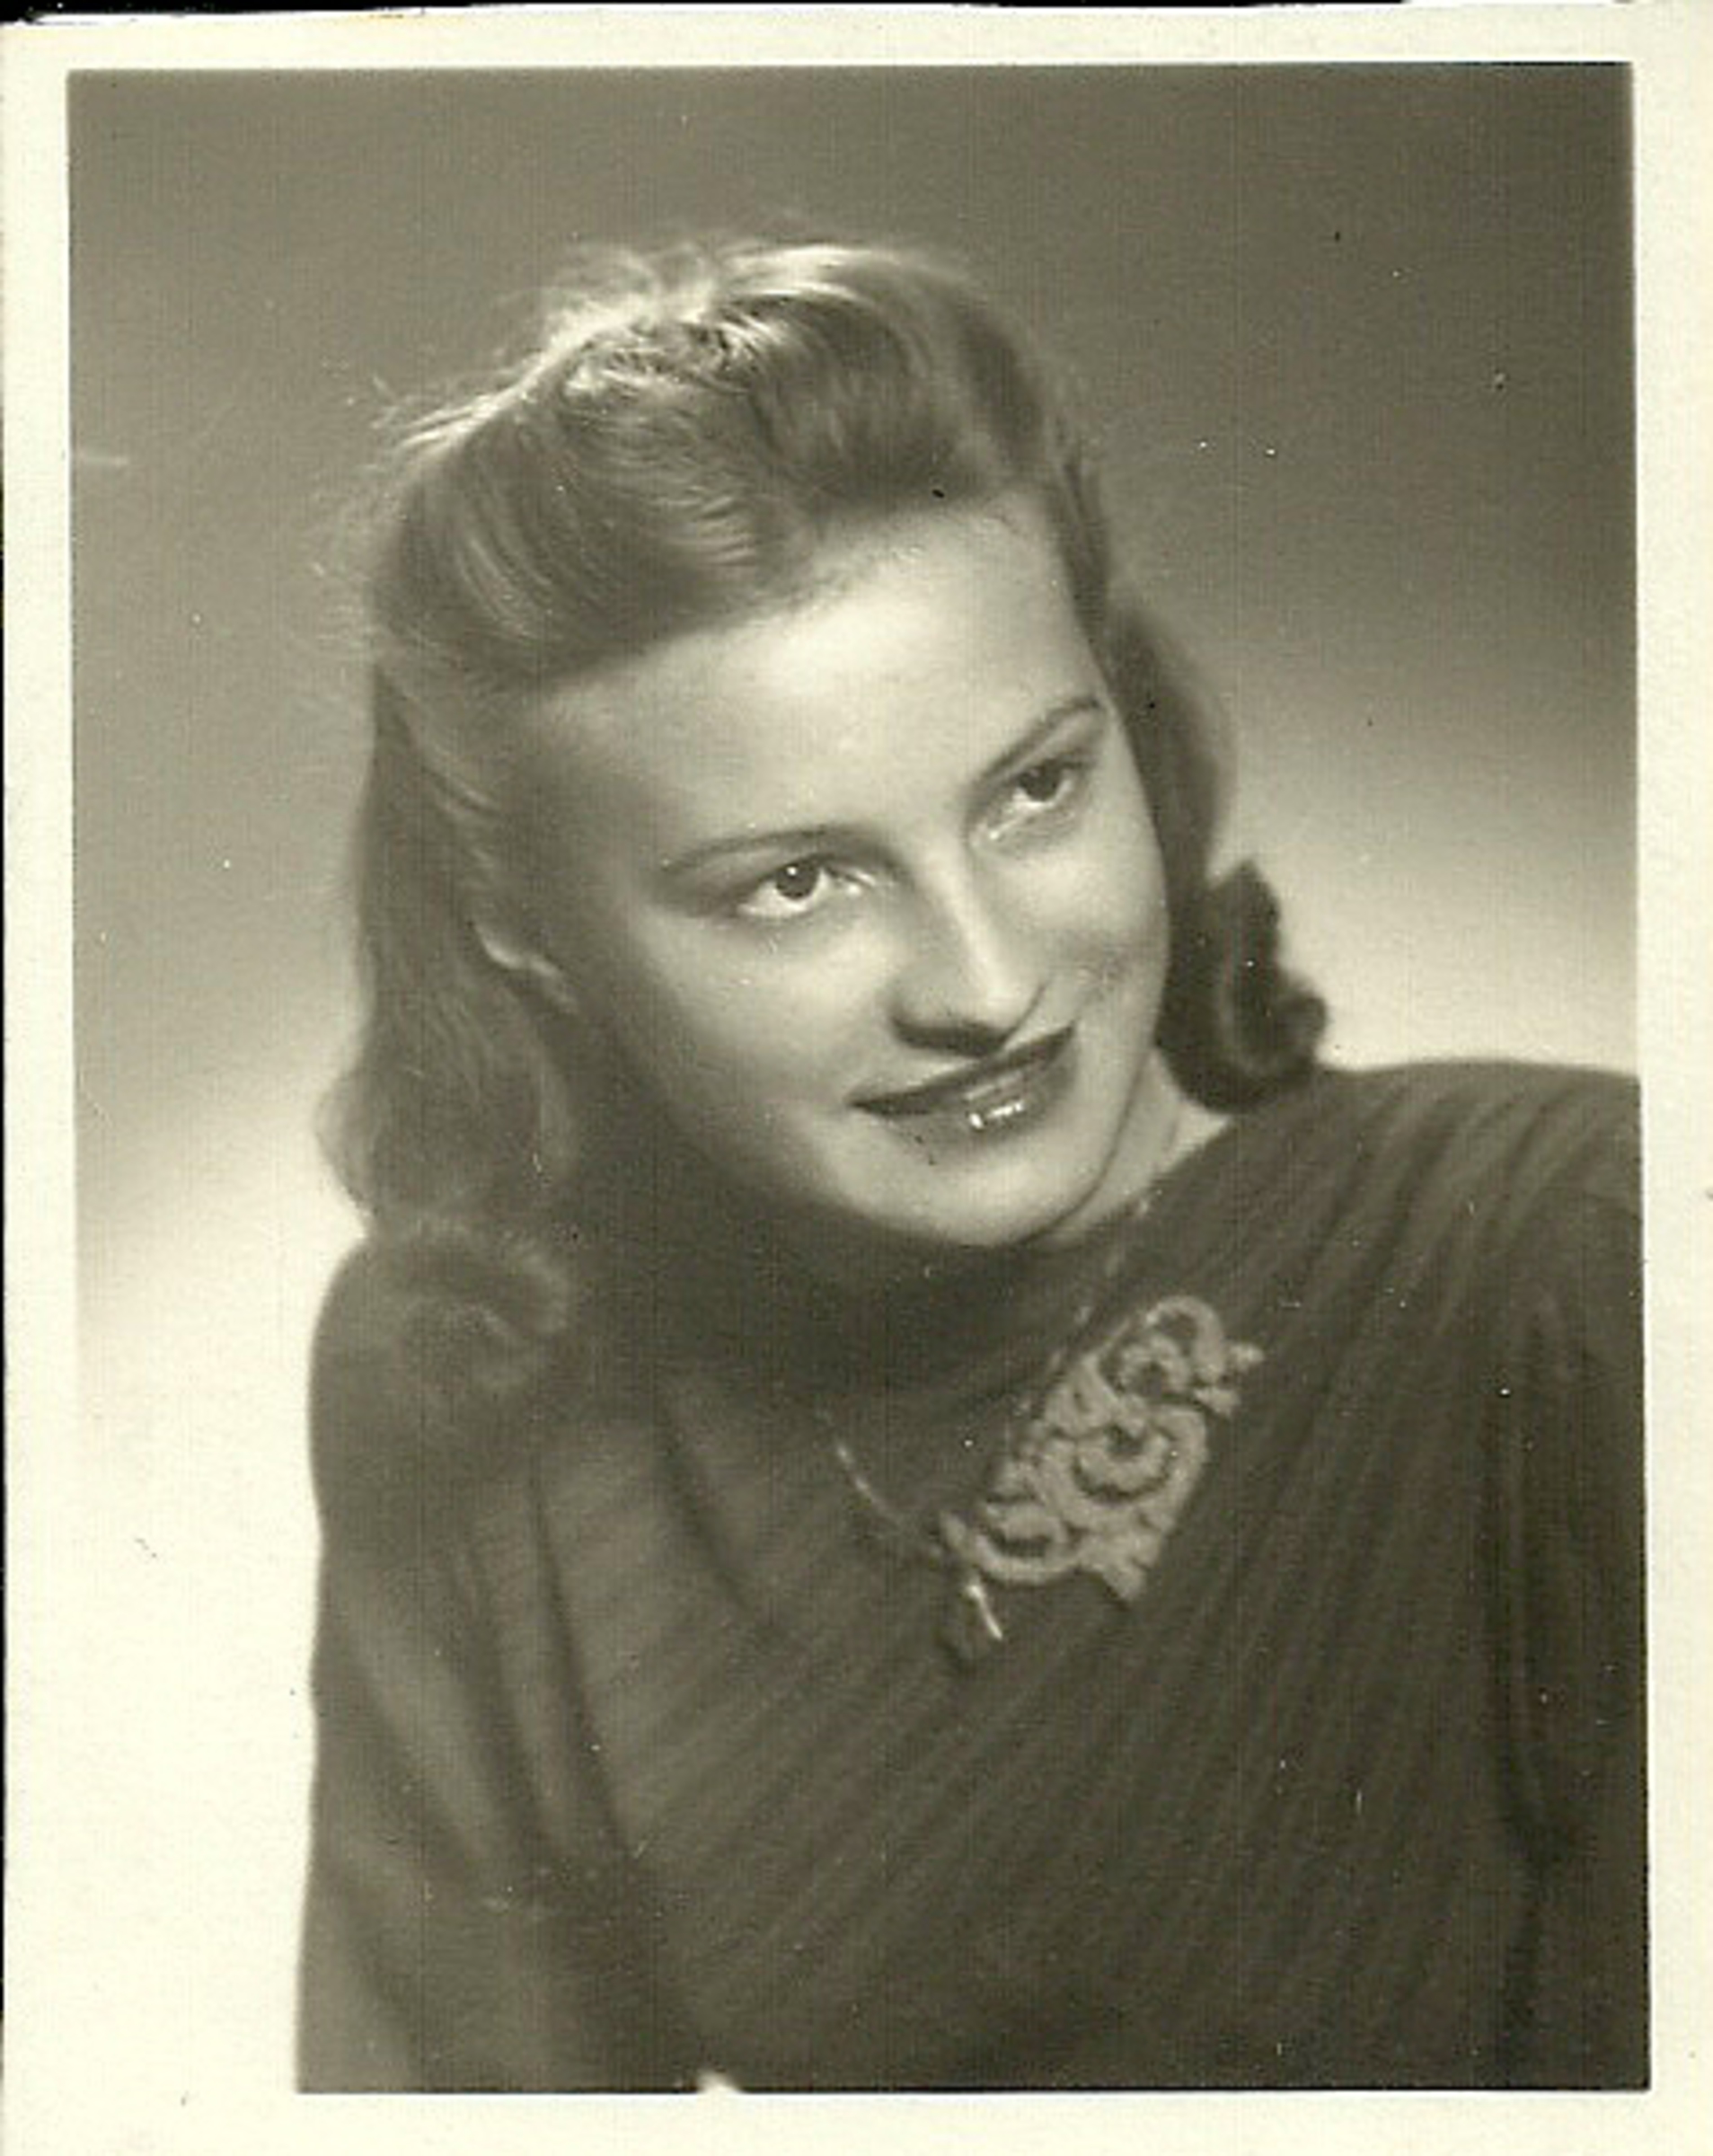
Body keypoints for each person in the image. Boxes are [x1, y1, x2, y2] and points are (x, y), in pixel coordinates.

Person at [297, 236, 1645, 2091]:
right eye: (797, 882)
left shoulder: (1581, 1259)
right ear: (524, 934)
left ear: (1123, 721)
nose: (989, 985)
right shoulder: (488, 1382)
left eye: (1035, 789)